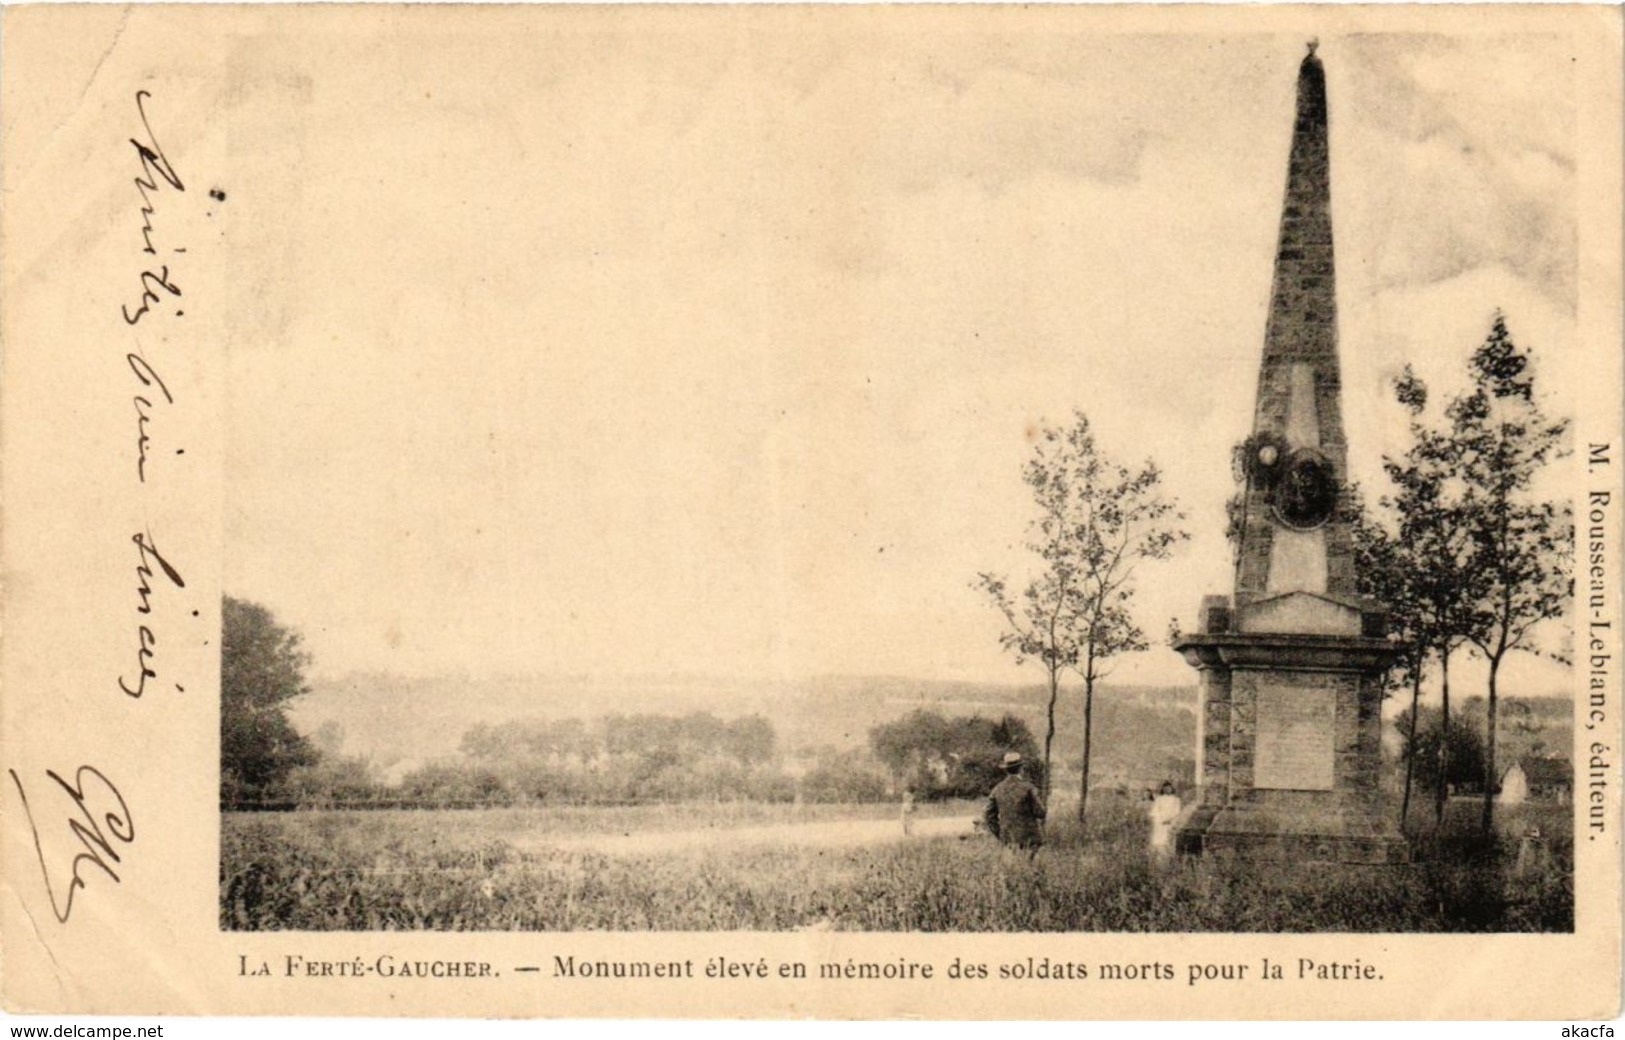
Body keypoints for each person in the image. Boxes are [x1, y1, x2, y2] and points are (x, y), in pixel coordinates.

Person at [982, 751, 1046, 856]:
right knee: (1030, 869)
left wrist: (1000, 833)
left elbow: (988, 816)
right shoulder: (1028, 788)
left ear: (1006, 770)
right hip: (1030, 839)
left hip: (1008, 840)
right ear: (1021, 769)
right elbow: (1041, 812)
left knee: (1013, 868)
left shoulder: (997, 789)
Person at [1148, 780, 1182, 864]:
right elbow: (1154, 811)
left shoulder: (1176, 800)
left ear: (1172, 789)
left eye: (1169, 788)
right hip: (1159, 823)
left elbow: (1177, 812)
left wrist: (1170, 819)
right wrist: (1159, 820)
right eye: (1166, 788)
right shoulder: (1159, 799)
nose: (1167, 789)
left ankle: (1168, 862)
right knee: (1158, 843)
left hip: (1171, 823)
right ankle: (1158, 862)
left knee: (1168, 841)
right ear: (1163, 789)